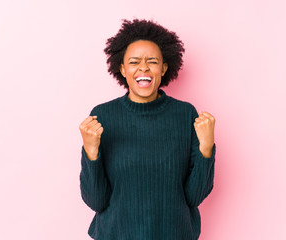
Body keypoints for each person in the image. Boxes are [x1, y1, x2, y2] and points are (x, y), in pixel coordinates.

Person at [79, 19, 216, 240]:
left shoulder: (186, 115)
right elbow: (96, 201)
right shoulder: (102, 117)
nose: (143, 67)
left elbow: (194, 197)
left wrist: (206, 148)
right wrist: (91, 153)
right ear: (122, 69)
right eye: (134, 62)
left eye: (152, 61)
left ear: (163, 67)